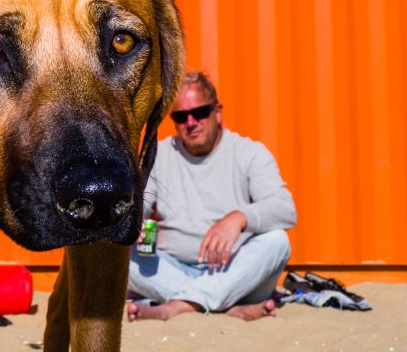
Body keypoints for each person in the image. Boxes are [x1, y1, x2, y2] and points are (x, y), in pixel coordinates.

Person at [127, 71, 296, 323]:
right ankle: (224, 306)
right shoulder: (158, 155)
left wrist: (239, 218)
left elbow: (285, 209)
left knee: (277, 242)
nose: (191, 122)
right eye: (181, 116)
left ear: (217, 111)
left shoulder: (250, 153)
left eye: (200, 112)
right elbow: (138, 206)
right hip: (172, 268)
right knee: (114, 252)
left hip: (238, 273)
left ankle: (176, 306)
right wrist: (134, 221)